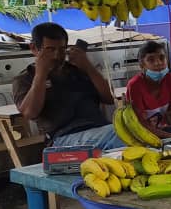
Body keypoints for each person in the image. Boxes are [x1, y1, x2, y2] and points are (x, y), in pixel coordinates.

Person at [13, 22, 124, 150]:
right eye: (50, 50)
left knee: (134, 131)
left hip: (99, 129)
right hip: (63, 138)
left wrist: (88, 66)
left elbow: (110, 98)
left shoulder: (77, 70)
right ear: (34, 48)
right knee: (120, 134)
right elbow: (29, 113)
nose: (57, 56)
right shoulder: (25, 78)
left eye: (61, 49)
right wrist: (41, 74)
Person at [125, 41, 171, 139]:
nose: (158, 63)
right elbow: (139, 124)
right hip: (142, 135)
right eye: (151, 60)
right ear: (142, 65)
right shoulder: (135, 85)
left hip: (162, 129)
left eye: (161, 58)